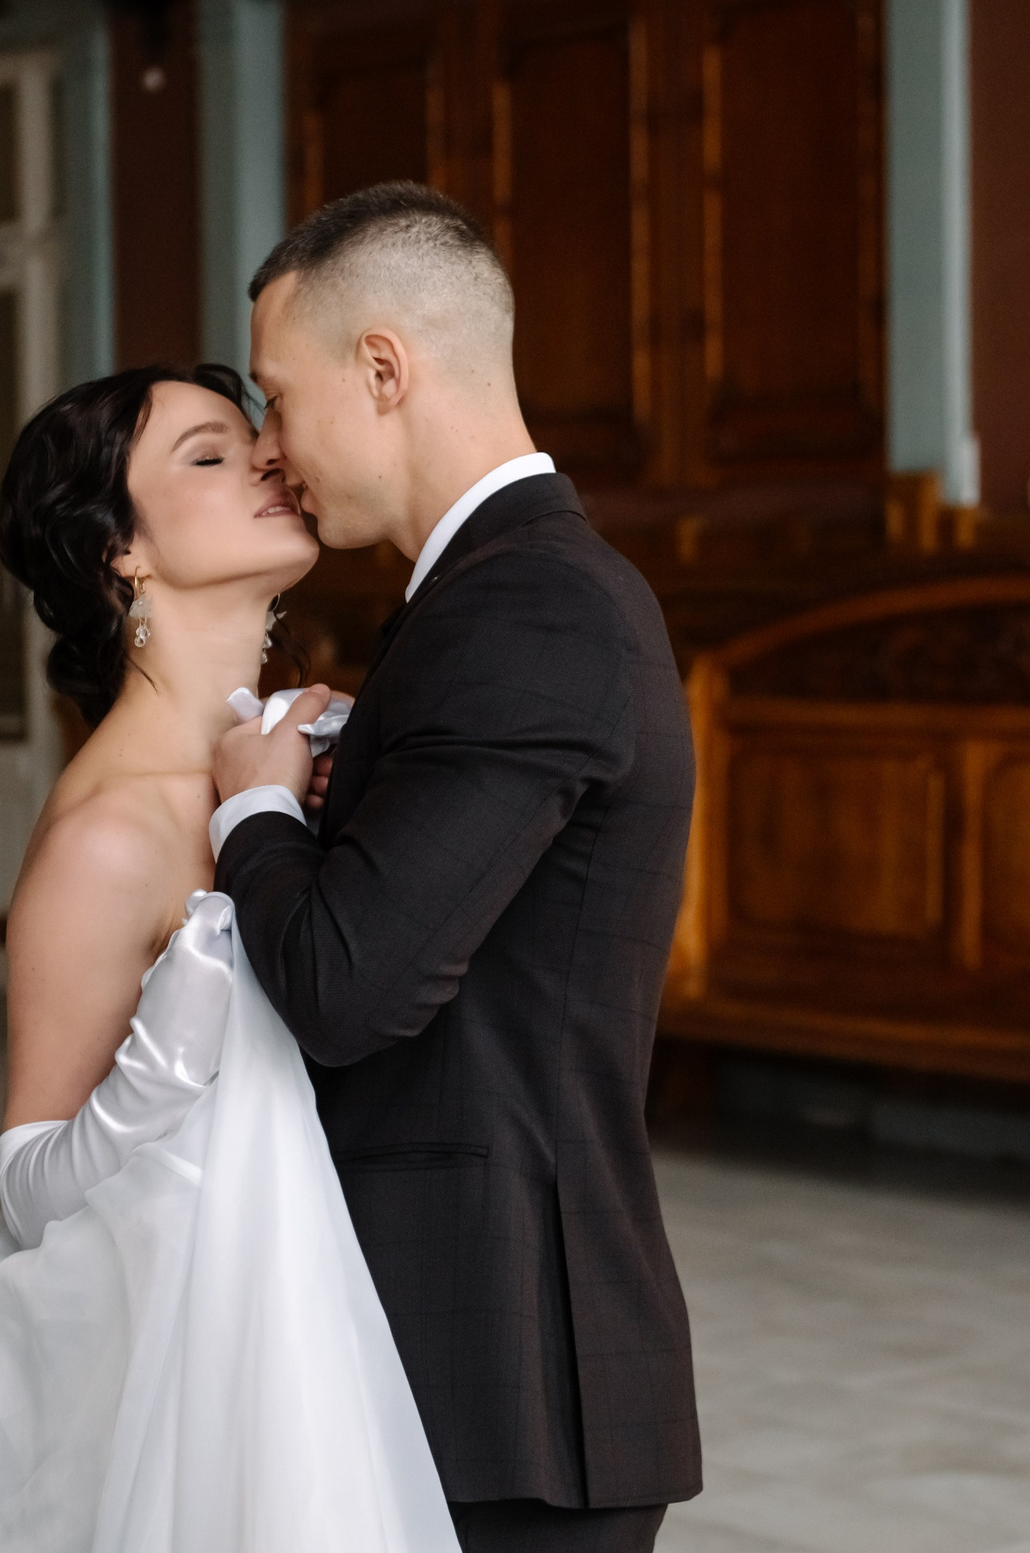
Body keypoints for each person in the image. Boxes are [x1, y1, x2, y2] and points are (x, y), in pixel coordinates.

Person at [210, 181, 701, 1553]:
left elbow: (347, 984)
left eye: (277, 397)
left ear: (382, 369)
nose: (267, 446)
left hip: (503, 1370)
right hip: (454, 1345)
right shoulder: (488, 597)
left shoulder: (530, 604)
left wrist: (255, 814)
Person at [0, 363, 457, 1552]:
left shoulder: (297, 761)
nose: (268, 461)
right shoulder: (107, 829)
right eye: (209, 455)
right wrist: (172, 1046)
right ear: (123, 551)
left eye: (254, 440)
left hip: (329, 1319)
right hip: (206, 1373)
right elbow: (26, 1180)